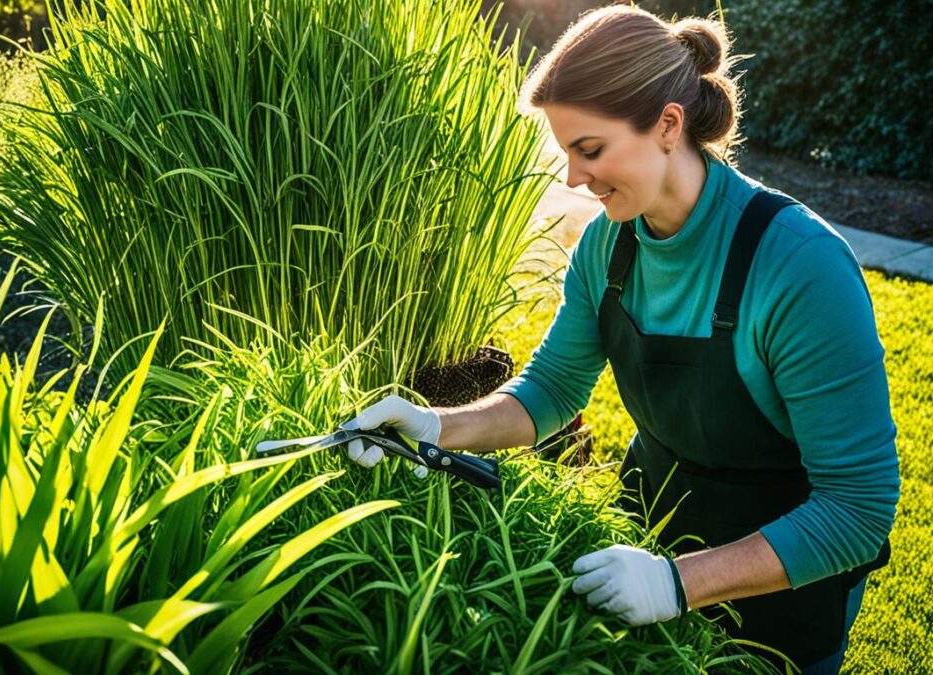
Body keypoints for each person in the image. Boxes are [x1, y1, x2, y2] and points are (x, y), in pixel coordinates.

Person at [339, 5, 899, 673]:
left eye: (591, 149)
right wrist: (432, 425)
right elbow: (550, 388)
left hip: (780, 590)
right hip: (643, 536)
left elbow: (857, 510)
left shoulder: (800, 267)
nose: (574, 179)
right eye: (567, 152)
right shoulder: (609, 242)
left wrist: (677, 582)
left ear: (668, 125)